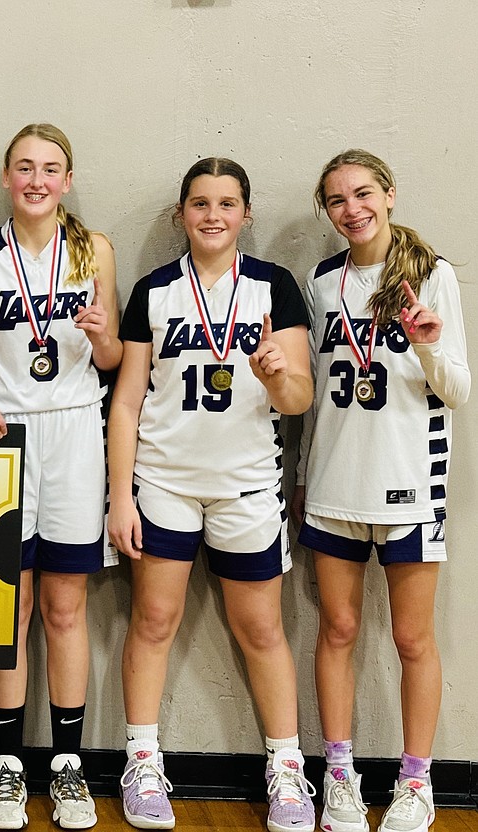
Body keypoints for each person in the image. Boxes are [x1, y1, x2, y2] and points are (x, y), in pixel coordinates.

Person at [108, 157, 315, 832]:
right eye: (200, 203)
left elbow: (298, 399)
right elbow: (128, 403)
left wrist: (278, 373)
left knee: (260, 629)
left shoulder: (274, 287)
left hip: (247, 486)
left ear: (245, 214)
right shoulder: (153, 290)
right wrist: (120, 496)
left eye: (227, 203)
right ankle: (142, 761)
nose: (214, 215)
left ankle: (286, 771)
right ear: (181, 214)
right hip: (165, 481)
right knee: (154, 623)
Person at [0, 124, 122, 831]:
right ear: (5, 177)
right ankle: (7, 769)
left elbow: (111, 359)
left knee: (66, 606)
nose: (37, 179)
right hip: (6, 433)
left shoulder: (96, 250)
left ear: (69, 179)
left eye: (50, 168)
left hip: (77, 426)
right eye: (24, 167)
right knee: (9, 606)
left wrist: (99, 335)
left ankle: (69, 766)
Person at [296, 150, 469, 832]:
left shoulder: (433, 275)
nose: (351, 209)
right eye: (336, 199)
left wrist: (427, 344)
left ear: (390, 195)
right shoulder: (322, 281)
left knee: (411, 639)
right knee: (337, 629)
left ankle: (415, 782)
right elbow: (312, 397)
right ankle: (339, 776)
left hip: (407, 483)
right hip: (337, 481)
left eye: (362, 193)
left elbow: (456, 390)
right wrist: (304, 474)